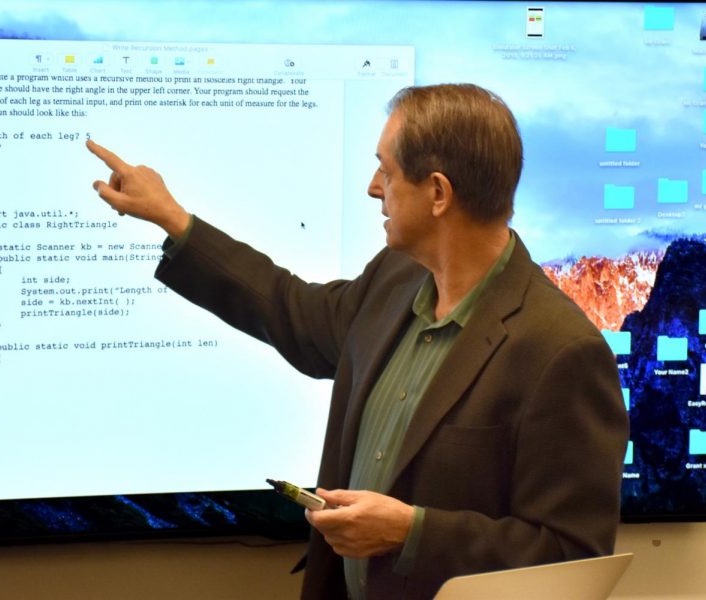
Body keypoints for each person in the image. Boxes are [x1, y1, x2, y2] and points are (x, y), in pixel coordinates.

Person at [86, 83, 629, 600]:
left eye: (386, 172)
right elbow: (291, 310)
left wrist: (411, 533)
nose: (374, 187)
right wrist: (173, 219)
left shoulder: (560, 352)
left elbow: (569, 556)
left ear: (438, 193)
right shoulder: (394, 279)